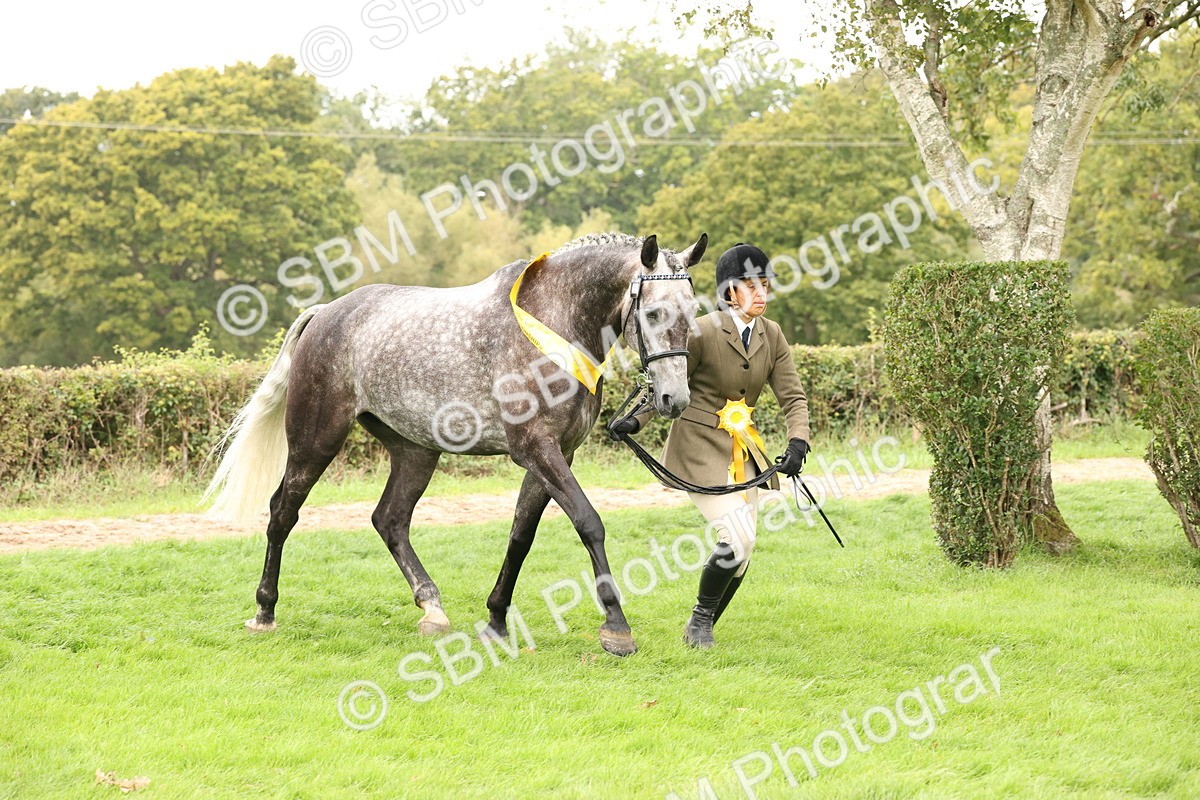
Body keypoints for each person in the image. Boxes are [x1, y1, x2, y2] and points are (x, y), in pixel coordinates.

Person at [613, 242, 811, 648]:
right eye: (751, 286)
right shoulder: (701, 330)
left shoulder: (772, 334)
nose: (761, 293)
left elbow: (793, 397)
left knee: (745, 549)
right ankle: (701, 622)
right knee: (736, 539)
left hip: (744, 452)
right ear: (729, 292)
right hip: (698, 448)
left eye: (765, 285)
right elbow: (668, 379)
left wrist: (798, 442)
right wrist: (636, 420)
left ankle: (701, 625)